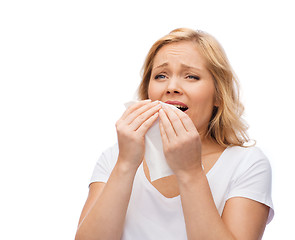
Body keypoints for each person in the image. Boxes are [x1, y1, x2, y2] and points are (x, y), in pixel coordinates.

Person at [75, 28, 274, 240]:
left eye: (191, 76)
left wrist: (189, 171)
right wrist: (125, 164)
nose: (171, 87)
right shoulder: (114, 158)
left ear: (218, 95)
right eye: (161, 75)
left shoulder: (247, 164)